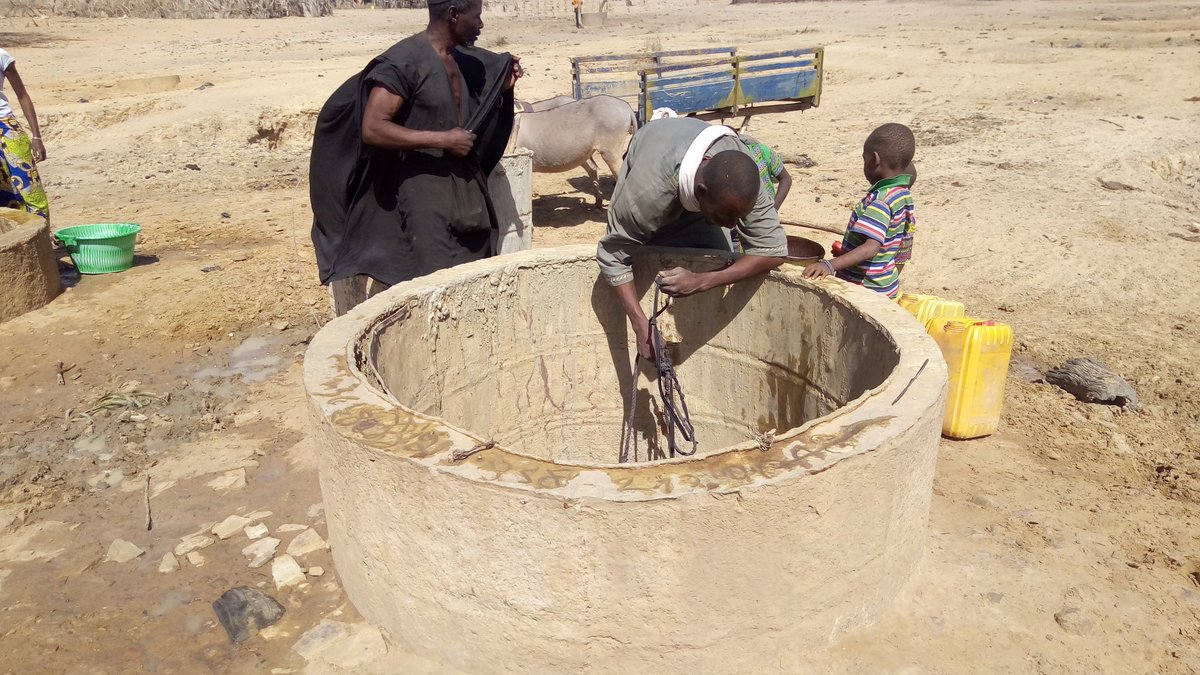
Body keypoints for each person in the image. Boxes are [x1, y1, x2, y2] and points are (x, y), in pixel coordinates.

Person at [310, 0, 523, 316]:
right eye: (475, 16)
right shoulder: (403, 63)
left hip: (466, 187)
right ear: (453, 15)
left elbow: (478, 91)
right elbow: (373, 128)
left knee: (474, 269)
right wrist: (444, 139)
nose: (481, 24)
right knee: (434, 286)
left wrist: (503, 82)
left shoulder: (459, 58)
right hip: (424, 192)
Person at [597, 117, 788, 359]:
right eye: (726, 216)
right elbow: (612, 255)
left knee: (721, 253)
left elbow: (772, 251)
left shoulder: (742, 175)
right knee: (646, 247)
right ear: (701, 193)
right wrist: (640, 326)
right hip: (656, 155)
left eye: (738, 217)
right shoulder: (647, 194)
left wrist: (704, 280)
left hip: (695, 175)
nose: (732, 226)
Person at [803, 123, 916, 299]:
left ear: (874, 160)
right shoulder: (902, 194)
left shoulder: (881, 201)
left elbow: (871, 248)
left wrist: (830, 265)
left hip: (866, 288)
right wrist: (846, 255)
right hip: (886, 284)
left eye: (865, 159)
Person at [0, 48, 49, 222]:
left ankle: (41, 240)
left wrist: (37, 137)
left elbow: (22, 95)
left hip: (5, 127)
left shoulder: (1, 56)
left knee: (30, 188)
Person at [737, 132, 791, 211]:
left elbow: (786, 179)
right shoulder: (724, 159)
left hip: (766, 209)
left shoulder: (762, 152)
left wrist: (774, 209)